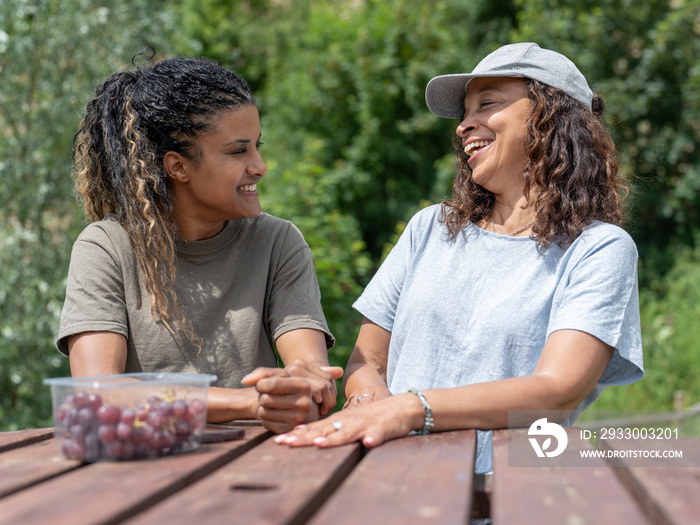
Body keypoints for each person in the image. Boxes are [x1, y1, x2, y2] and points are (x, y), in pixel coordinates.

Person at [273, 42, 644, 473]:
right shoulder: (429, 228)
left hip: (507, 496)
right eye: (465, 113)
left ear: (551, 116)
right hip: (387, 482)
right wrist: (367, 405)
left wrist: (411, 409)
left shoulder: (599, 249)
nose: (463, 127)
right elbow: (366, 361)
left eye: (487, 104)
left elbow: (556, 390)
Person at [56, 53, 342, 433]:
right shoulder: (105, 247)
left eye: (258, 146)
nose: (260, 166)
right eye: (239, 151)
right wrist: (251, 402)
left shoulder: (278, 242)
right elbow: (96, 393)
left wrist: (304, 391)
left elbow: (310, 382)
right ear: (178, 167)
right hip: (139, 472)